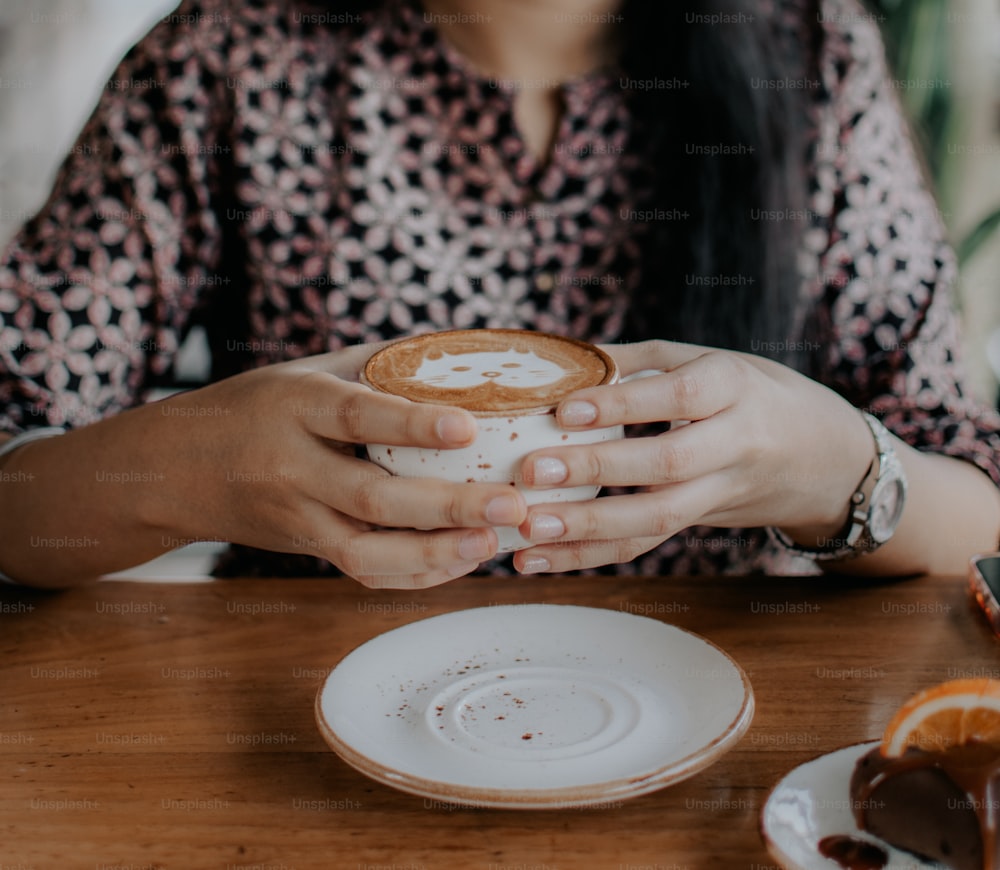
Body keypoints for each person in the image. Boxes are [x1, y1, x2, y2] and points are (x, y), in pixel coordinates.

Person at [0, 0, 998, 589]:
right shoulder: (223, 58)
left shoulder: (812, 57)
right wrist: (189, 466)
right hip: (302, 733)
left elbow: (975, 505)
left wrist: (835, 474)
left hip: (724, 744)